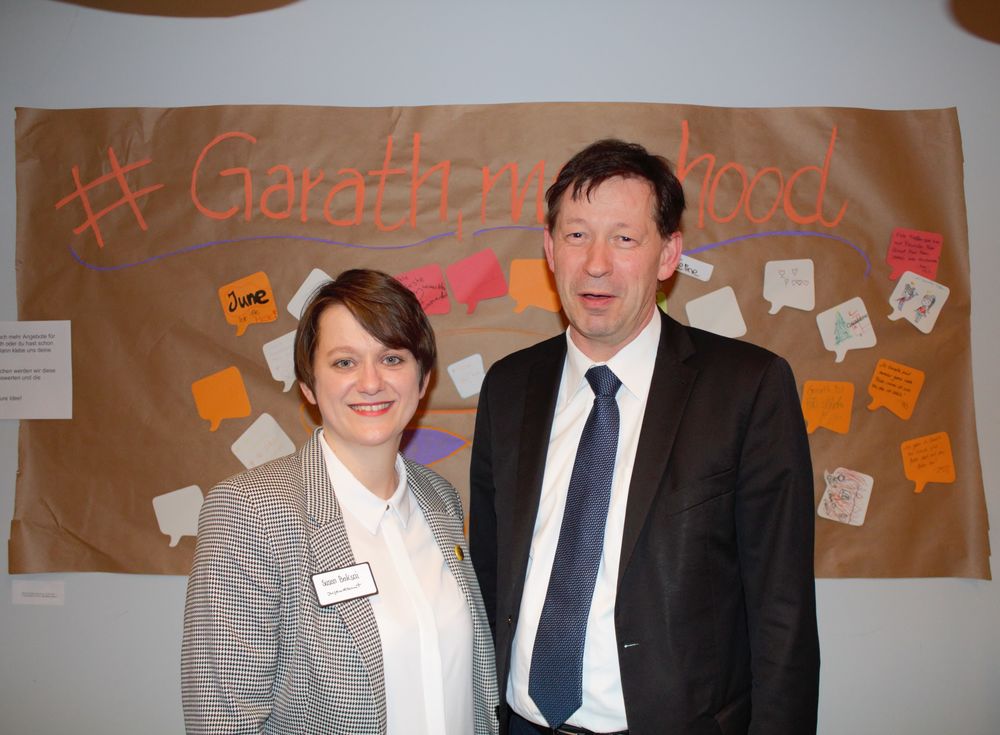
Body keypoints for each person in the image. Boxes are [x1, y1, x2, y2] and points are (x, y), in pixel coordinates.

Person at [470, 139, 819, 735]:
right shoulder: (508, 386)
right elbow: (486, 573)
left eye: (625, 238)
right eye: (577, 235)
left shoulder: (748, 387)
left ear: (668, 255)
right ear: (550, 250)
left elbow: (781, 607)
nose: (597, 263)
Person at [182, 269, 498, 735]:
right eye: (344, 363)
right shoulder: (250, 512)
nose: (370, 383)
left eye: (392, 358)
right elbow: (223, 721)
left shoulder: (441, 501)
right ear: (309, 385)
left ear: (423, 378)